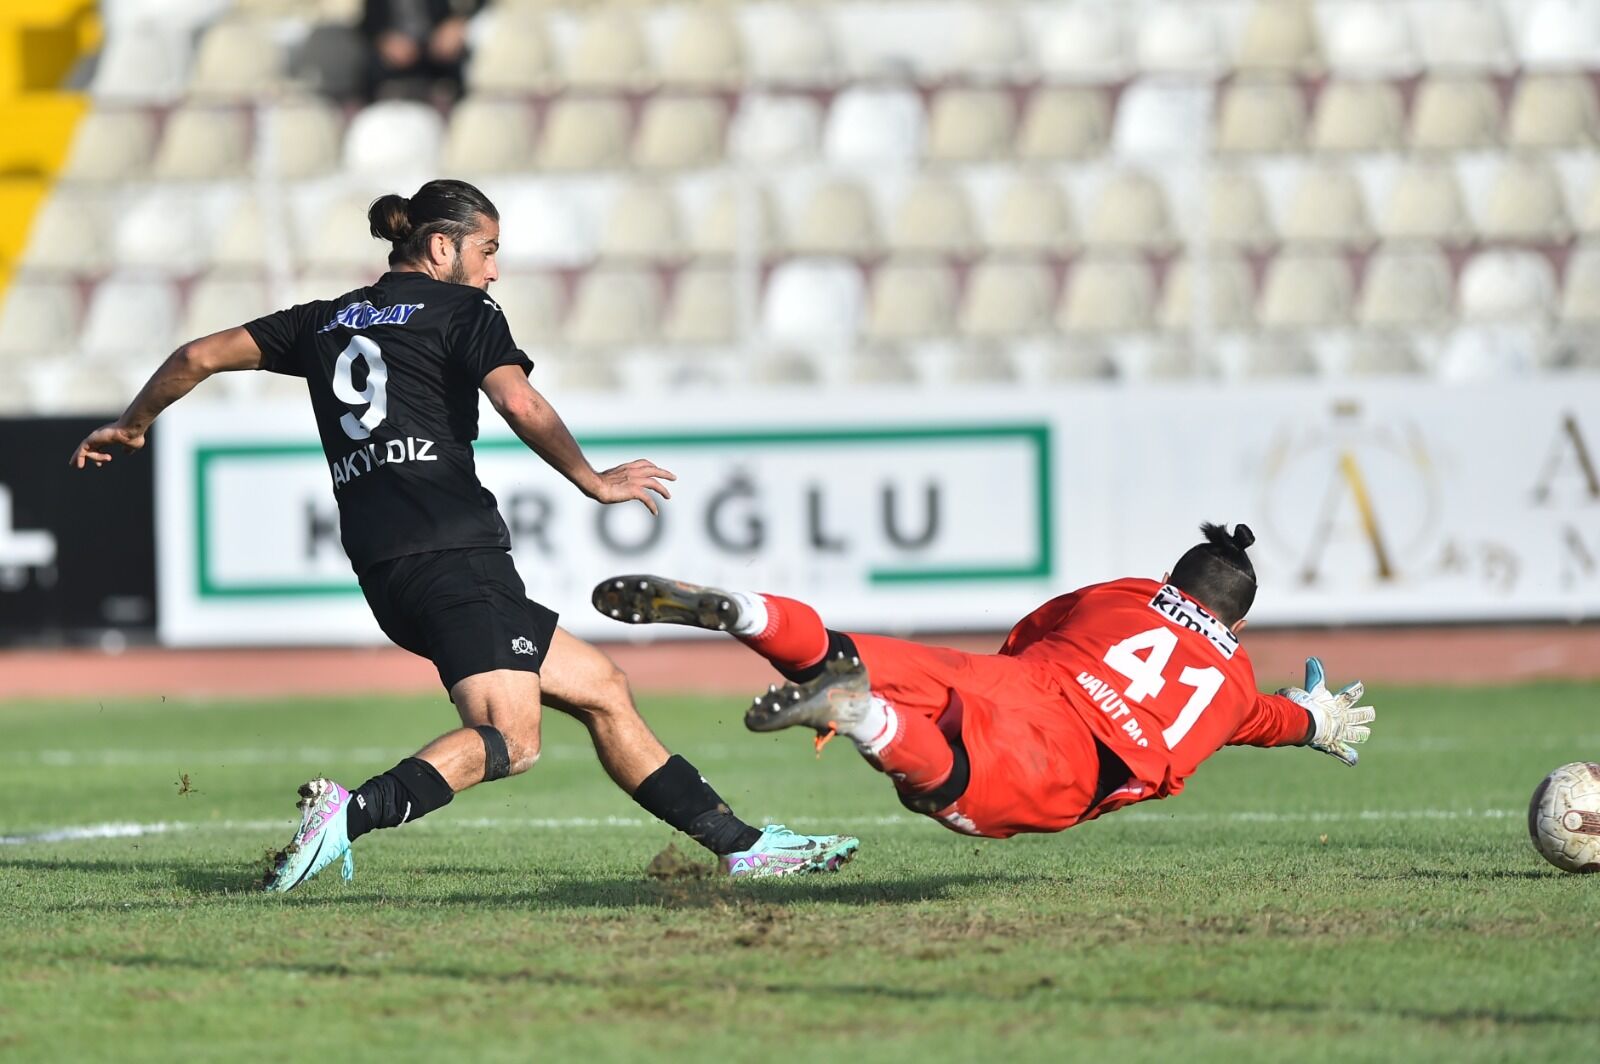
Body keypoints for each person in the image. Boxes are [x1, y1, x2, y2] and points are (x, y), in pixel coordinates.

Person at [69, 179, 858, 888]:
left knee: (602, 690)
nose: (494, 270)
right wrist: (592, 479)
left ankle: (740, 845)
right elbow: (521, 403)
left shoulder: (322, 319)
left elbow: (198, 354)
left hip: (387, 567)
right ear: (442, 247)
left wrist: (134, 424)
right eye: (487, 250)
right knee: (511, 739)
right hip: (455, 553)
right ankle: (348, 813)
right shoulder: (463, 311)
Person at [591, 524, 1376, 840]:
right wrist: (1316, 721)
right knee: (946, 790)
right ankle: (861, 717)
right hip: (1075, 756)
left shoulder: (1126, 594)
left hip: (1014, 679)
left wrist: (1000, 686)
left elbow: (1032, 631)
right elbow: (1266, 719)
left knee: (834, 649)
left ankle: (750, 611)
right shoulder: (1233, 684)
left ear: (1173, 580)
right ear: (1239, 626)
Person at [361, 0, 481, 102]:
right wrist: (385, 41)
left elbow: (474, 7)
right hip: (393, 53)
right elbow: (368, 24)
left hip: (437, 44)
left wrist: (457, 23)